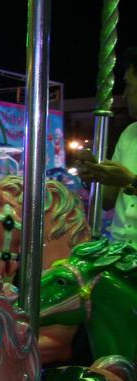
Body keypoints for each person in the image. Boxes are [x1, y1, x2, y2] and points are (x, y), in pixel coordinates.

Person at [77, 46, 137, 247]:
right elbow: (107, 201)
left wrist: (131, 182)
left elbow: (128, 182)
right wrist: (95, 176)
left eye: (129, 86)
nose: (124, 95)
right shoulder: (129, 134)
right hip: (120, 250)